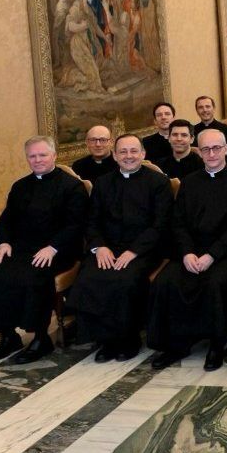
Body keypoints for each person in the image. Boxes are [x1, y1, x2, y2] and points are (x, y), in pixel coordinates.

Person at [147, 129, 227, 371]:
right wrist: (186, 252)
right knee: (167, 281)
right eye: (206, 149)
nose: (212, 153)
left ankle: (216, 345)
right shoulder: (189, 181)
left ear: (226, 149)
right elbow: (178, 222)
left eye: (217, 148)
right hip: (191, 250)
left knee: (216, 283)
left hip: (226, 252)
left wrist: (211, 255)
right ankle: (175, 344)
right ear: (200, 151)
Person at [0, 136, 89, 363]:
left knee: (33, 277)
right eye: (32, 156)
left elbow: (76, 224)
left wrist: (53, 247)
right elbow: (6, 220)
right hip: (22, 249)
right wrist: (4, 242)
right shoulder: (20, 186)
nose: (37, 160)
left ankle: (40, 338)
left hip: (59, 249)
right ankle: (7, 336)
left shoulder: (71, 187)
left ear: (54, 156)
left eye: (42, 155)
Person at [68, 133, 172, 362]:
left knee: (125, 280)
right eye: (123, 152)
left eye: (134, 151)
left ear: (143, 154)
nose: (129, 156)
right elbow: (91, 221)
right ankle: (105, 340)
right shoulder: (103, 184)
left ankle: (128, 338)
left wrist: (133, 251)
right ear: (114, 155)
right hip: (108, 248)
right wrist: (99, 248)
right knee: (90, 277)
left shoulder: (158, 183)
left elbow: (160, 224)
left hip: (144, 250)